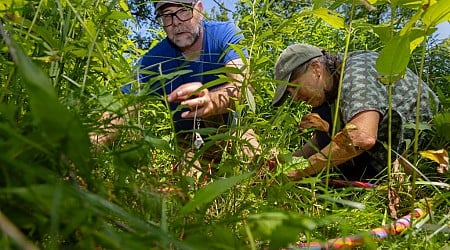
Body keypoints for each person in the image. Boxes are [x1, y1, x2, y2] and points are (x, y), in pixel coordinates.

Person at [92, 0, 258, 178]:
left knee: (254, 157)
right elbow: (123, 108)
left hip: (232, 129)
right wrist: (88, 144)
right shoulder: (153, 60)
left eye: (184, 11)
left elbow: (243, 86)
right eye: (167, 15)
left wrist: (211, 101)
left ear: (200, 10)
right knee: (189, 182)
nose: (176, 21)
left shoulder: (223, 34)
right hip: (189, 141)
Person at [271, 43, 439, 181]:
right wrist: (287, 162)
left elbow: (360, 137)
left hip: (428, 160)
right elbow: (320, 141)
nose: (294, 98)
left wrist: (298, 172)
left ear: (316, 68)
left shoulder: (357, 71)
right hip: (385, 165)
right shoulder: (328, 91)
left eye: (293, 87)